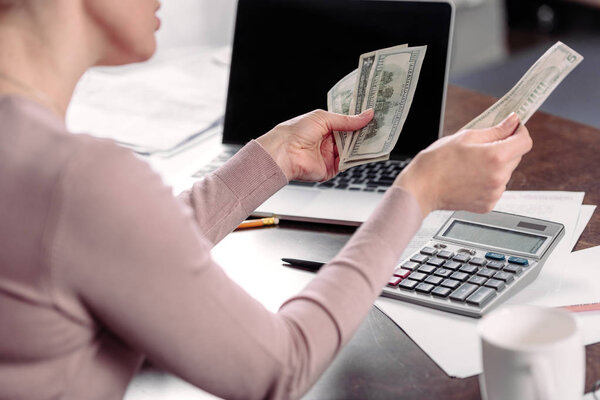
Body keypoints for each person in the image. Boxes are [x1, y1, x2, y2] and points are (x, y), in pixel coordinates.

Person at [0, 1, 533, 399]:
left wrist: (271, 158)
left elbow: (129, 250)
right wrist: (418, 192)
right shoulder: (77, 178)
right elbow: (282, 365)